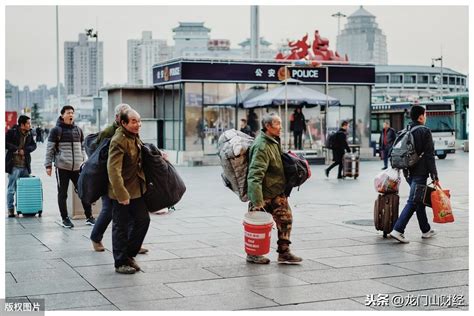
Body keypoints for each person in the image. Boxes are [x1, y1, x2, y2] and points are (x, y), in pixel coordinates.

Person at [246, 112, 302, 264]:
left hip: (277, 191)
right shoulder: (262, 146)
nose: (280, 127)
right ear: (267, 126)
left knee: (286, 220)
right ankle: (253, 254)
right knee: (256, 227)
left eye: (280, 123)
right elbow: (254, 174)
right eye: (277, 124)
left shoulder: (273, 141)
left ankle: (284, 252)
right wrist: (257, 201)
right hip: (263, 195)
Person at [108, 109, 150, 274]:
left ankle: (129, 255)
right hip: (121, 191)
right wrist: (122, 194)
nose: (137, 124)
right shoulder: (118, 140)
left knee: (143, 220)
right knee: (121, 227)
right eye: (133, 121)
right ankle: (120, 262)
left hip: (136, 190)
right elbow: (113, 170)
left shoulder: (134, 136)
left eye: (139, 121)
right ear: (123, 123)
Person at [389, 105, 439, 243]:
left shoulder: (405, 130)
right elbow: (429, 155)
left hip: (408, 172)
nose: (426, 117)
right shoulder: (424, 131)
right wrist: (434, 176)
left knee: (419, 200)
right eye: (425, 115)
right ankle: (398, 230)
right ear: (421, 116)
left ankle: (426, 230)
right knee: (413, 201)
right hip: (420, 173)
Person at [44, 105, 95, 228]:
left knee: (83, 191)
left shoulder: (78, 130)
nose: (71, 114)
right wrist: (48, 165)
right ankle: (65, 218)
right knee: (62, 194)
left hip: (77, 168)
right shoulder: (56, 130)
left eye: (72, 112)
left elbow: (82, 147)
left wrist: (83, 159)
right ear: (62, 115)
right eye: (68, 112)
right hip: (62, 167)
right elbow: (50, 149)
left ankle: (89, 217)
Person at [5, 115, 37, 217]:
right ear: (22, 124)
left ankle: (22, 208)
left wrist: (26, 150)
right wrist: (16, 150)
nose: (29, 125)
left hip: (25, 166)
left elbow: (34, 145)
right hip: (14, 165)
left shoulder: (29, 133)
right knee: (11, 189)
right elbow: (5, 143)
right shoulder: (12, 132)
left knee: (24, 189)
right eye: (28, 123)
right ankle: (10, 209)